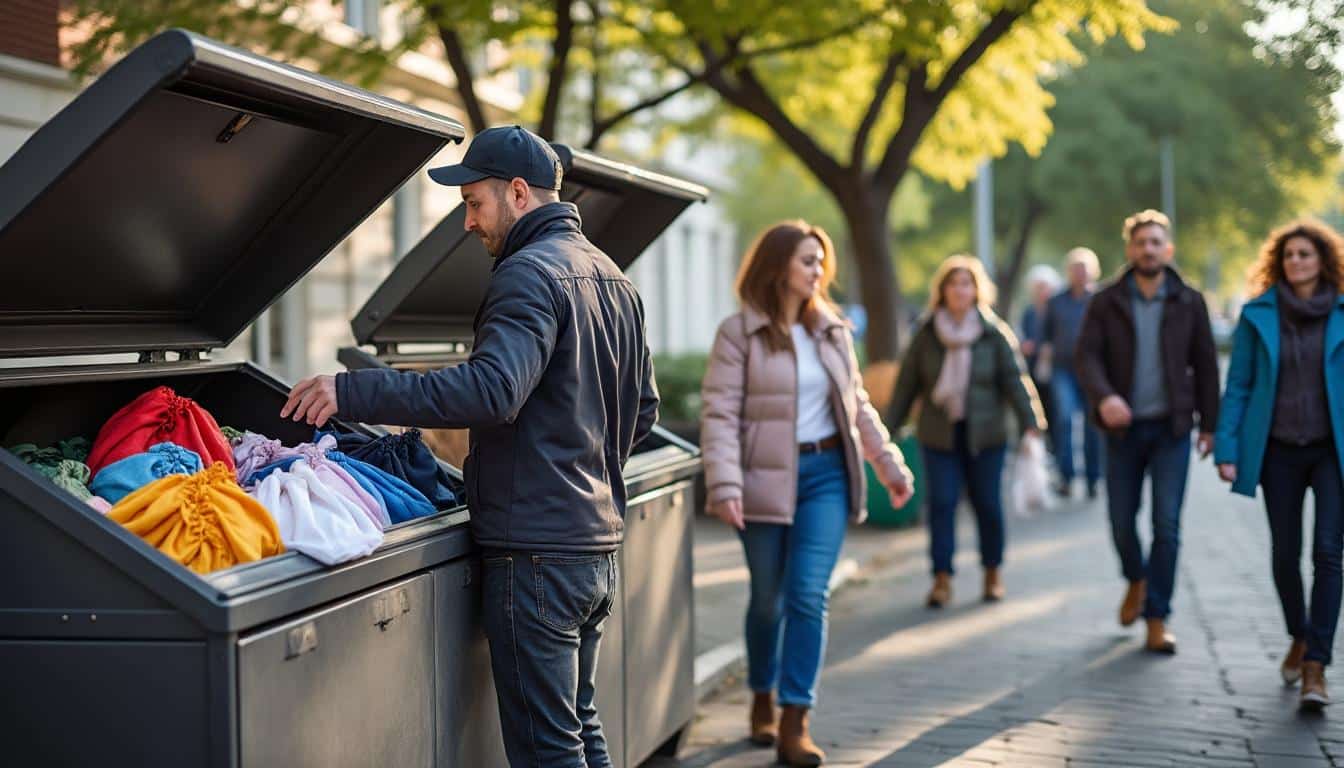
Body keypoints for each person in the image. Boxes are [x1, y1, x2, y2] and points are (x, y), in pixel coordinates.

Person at [280, 125, 655, 768]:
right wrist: (578, 463)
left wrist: (353, 392)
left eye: (474, 203)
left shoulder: (528, 274)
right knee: (578, 728)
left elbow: (491, 391)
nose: (467, 223)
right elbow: (642, 412)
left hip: (536, 553)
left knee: (547, 750)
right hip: (594, 547)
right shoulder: (610, 275)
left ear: (516, 193)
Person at [700, 221, 912, 767]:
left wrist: (889, 463)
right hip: (762, 480)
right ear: (777, 268)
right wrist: (724, 483)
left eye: (821, 262)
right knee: (767, 601)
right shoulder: (737, 333)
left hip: (826, 477)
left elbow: (857, 405)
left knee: (807, 594)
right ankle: (762, 694)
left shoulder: (833, 330)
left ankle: (796, 718)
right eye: (808, 261)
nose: (819, 271)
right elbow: (719, 413)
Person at [1075, 209, 1219, 655]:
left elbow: (1207, 367)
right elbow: (1086, 358)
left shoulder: (1189, 300)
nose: (1148, 249)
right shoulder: (1107, 300)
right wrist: (1105, 397)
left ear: (1167, 249)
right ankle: (1136, 579)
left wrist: (1210, 426)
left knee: (1167, 524)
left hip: (1172, 428)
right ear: (1129, 250)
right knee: (1121, 520)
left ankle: (1158, 616)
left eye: (1156, 242)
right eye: (1140, 243)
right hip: (1122, 431)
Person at [1214, 219, 1344, 711]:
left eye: (1305, 255)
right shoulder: (1258, 314)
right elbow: (1240, 385)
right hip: (1278, 450)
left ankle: (1316, 664)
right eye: (1288, 255)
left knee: (1329, 553)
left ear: (1323, 260)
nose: (1296, 263)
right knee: (1284, 554)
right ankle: (1300, 632)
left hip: (1333, 450)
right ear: (1278, 261)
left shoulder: (1343, 311)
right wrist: (1228, 448)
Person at [889, 255, 1046, 609]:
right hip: (938, 435)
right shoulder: (926, 334)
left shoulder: (993, 333)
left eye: (967, 283)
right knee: (942, 505)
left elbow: (1015, 380)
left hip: (987, 436)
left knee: (988, 505)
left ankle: (993, 571)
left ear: (977, 290)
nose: (960, 290)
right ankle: (941, 577)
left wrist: (1031, 422)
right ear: (942, 291)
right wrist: (888, 429)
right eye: (953, 283)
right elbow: (906, 385)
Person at [1042, 247, 1104, 498]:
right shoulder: (1056, 301)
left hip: (1092, 371)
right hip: (1063, 369)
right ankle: (1066, 476)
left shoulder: (1100, 299)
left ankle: (1093, 478)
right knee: (1064, 419)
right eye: (1075, 269)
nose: (1079, 274)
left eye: (1084, 269)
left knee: (1093, 424)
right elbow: (1046, 335)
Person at [1019, 264, 1061, 452]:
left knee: (1057, 413)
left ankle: (1055, 450)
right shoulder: (1029, 312)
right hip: (1034, 368)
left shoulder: (1057, 309)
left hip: (1055, 367)